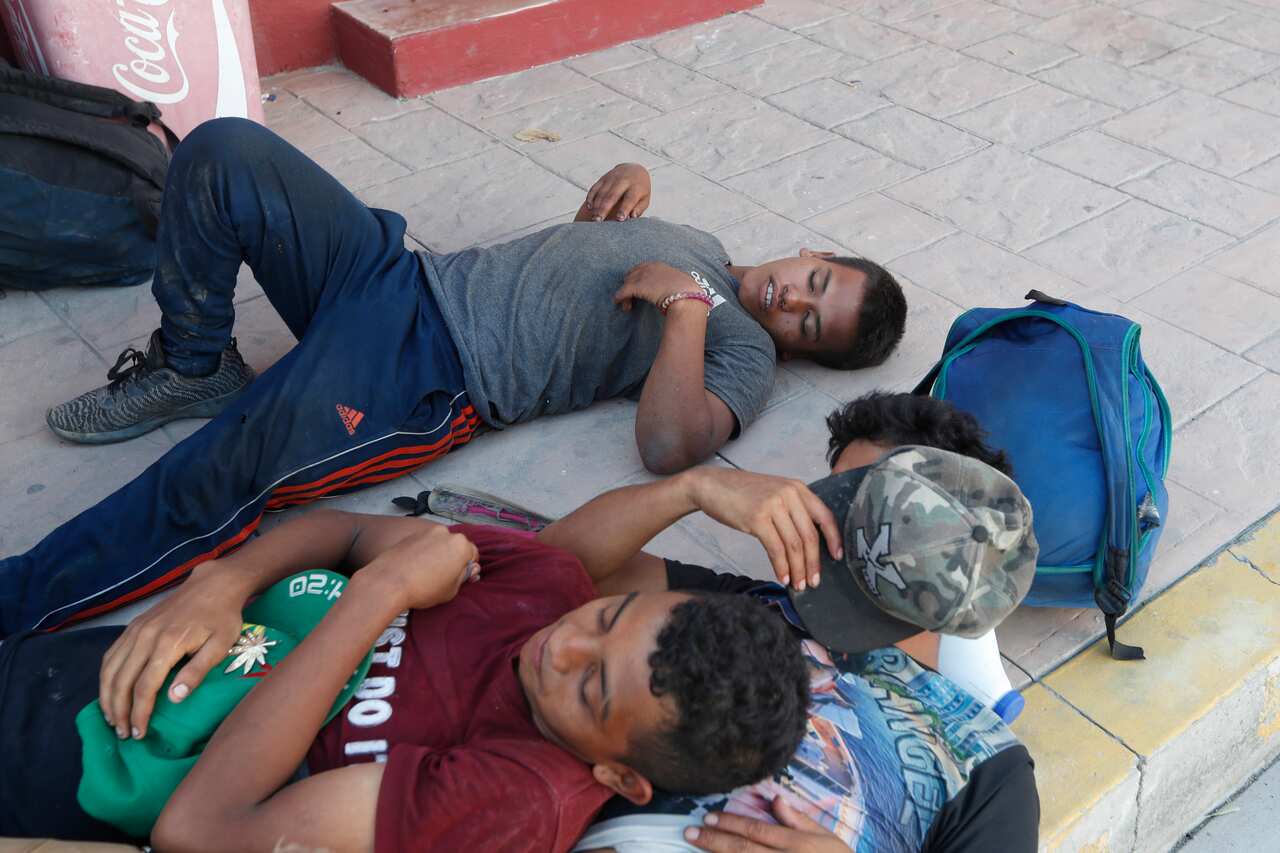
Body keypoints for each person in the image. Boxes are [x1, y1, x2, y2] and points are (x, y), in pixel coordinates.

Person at [0, 118, 906, 637]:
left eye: (808, 323)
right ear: (811, 249)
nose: (791, 298)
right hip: (395, 276)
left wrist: (690, 313)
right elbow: (563, 284)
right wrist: (618, 190)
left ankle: (18, 599)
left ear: (801, 351)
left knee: (220, 472)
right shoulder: (703, 245)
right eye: (812, 281)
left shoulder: (742, 348)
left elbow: (672, 444)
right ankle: (195, 363)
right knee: (226, 152)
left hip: (430, 372)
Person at [0, 514, 811, 850]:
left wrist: (379, 595)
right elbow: (344, 526)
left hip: (59, 767)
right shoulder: (549, 583)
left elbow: (202, 829)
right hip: (80, 660)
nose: (560, 644)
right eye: (607, 617)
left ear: (618, 775)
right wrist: (224, 577)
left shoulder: (517, 794)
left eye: (591, 689)